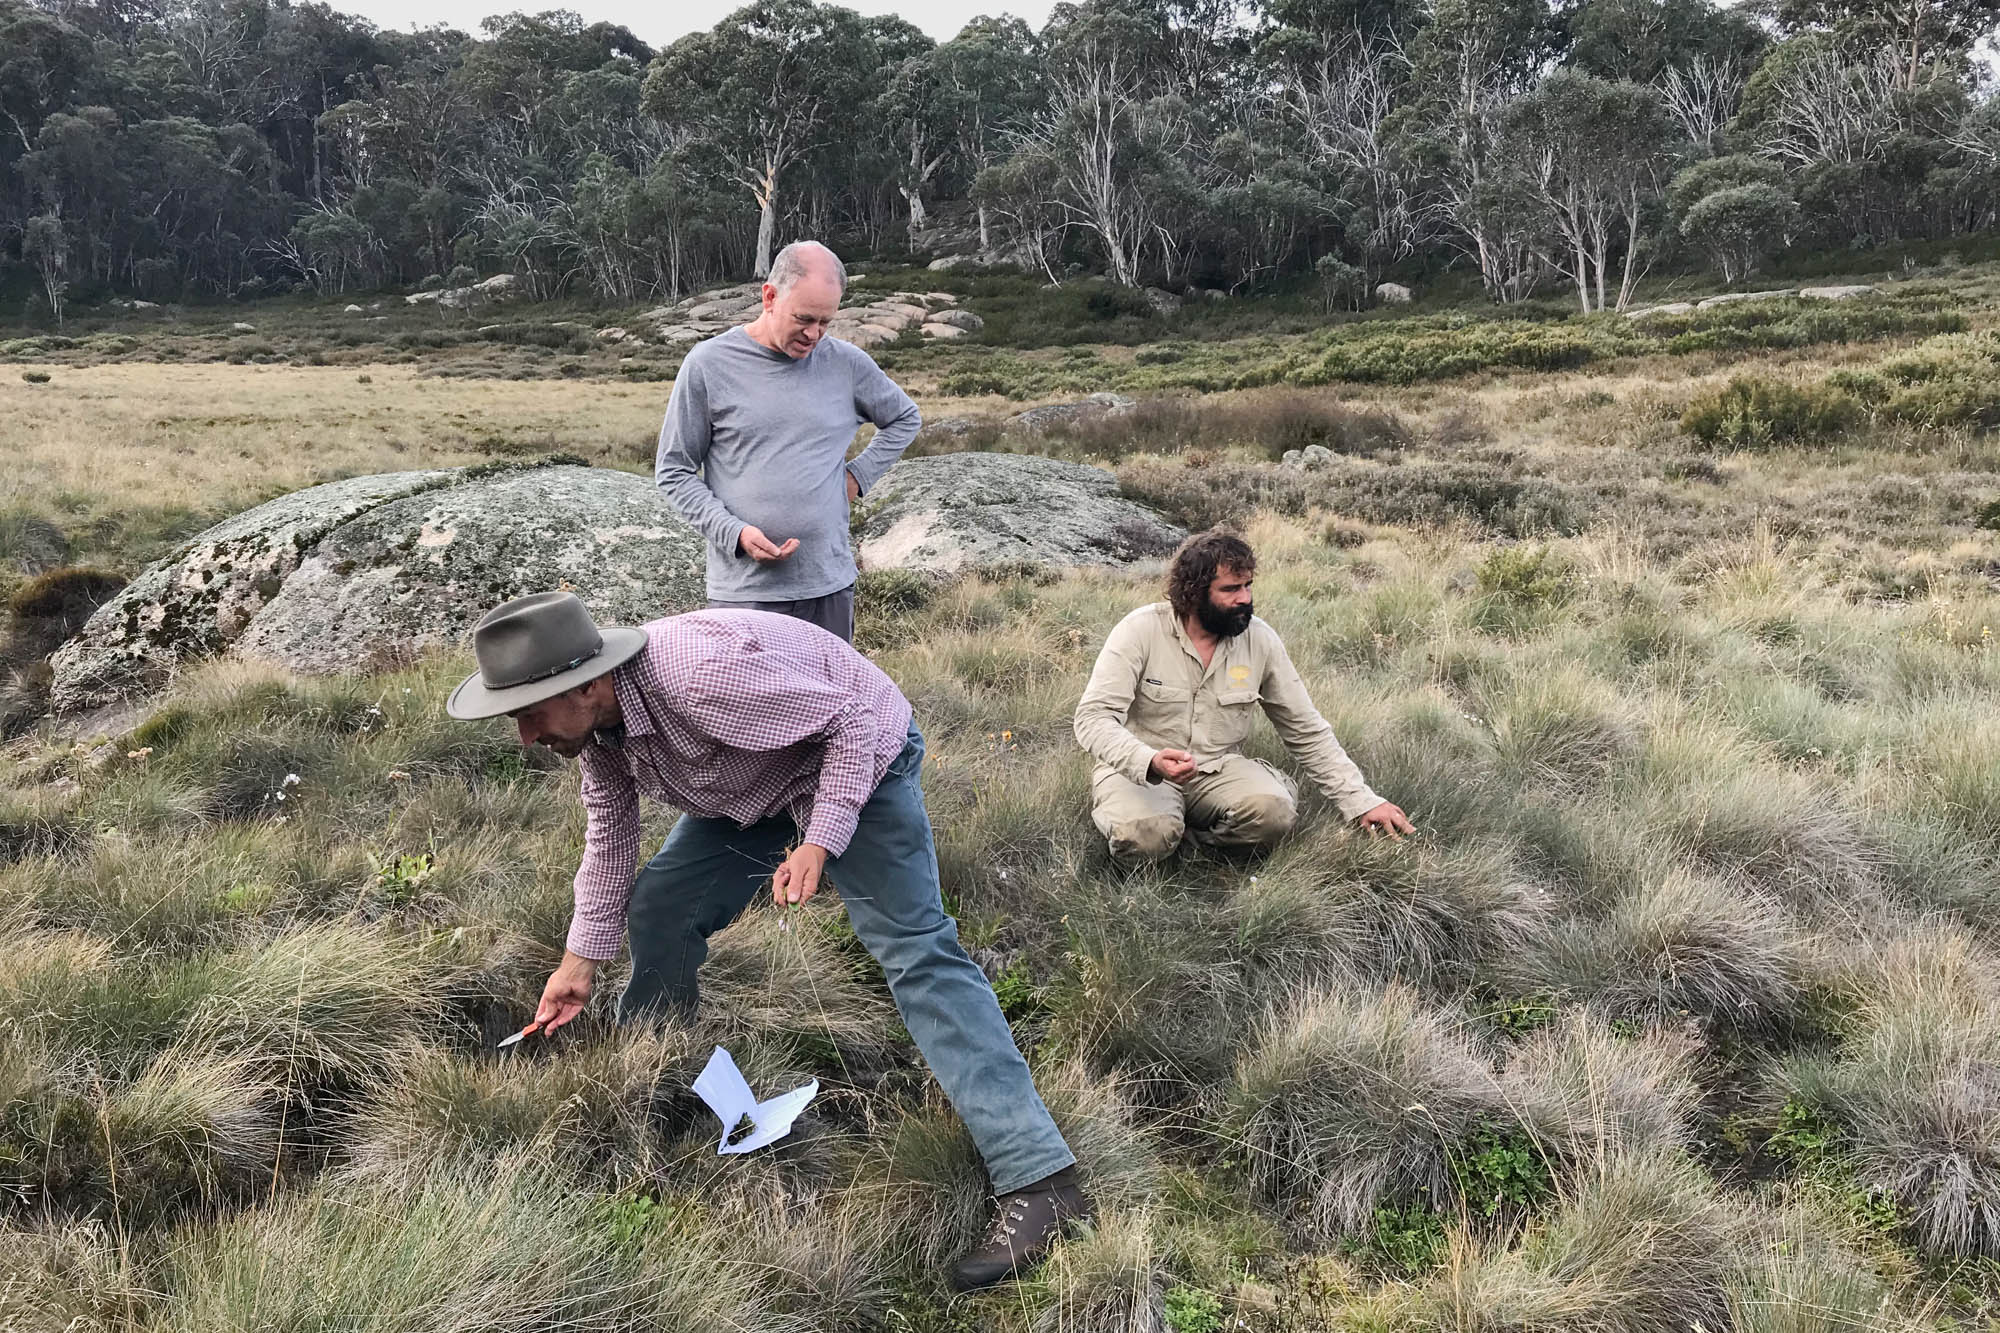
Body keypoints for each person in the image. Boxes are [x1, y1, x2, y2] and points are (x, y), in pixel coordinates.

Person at [445, 590, 1087, 1291]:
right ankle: (656, 1077)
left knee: (916, 951)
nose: (526, 737)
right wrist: (578, 963)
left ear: (591, 681)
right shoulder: (597, 729)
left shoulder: (702, 677)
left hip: (858, 756)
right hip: (749, 784)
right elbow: (609, 833)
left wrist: (819, 840)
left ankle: (1040, 1179)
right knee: (663, 906)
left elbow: (848, 721)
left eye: (531, 714)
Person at [1073, 529, 1416, 863]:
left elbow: (1305, 729)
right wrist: (1148, 760)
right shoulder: (1139, 631)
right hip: (1142, 770)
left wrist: (1361, 801)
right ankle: (1160, 829)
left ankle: (1189, 848)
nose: (1245, 599)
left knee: (1273, 814)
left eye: (1248, 585)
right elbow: (1093, 718)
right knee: (1145, 839)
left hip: (1219, 770)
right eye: (1230, 589)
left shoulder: (1260, 640)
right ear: (1193, 592)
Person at [655, 240, 920, 643]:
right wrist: (734, 533)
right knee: (746, 707)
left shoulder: (846, 363)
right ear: (769, 296)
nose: (814, 334)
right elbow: (673, 471)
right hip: (744, 597)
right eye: (804, 318)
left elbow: (905, 417)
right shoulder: (708, 365)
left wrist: (856, 479)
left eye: (826, 322)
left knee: (833, 705)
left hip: (828, 588)